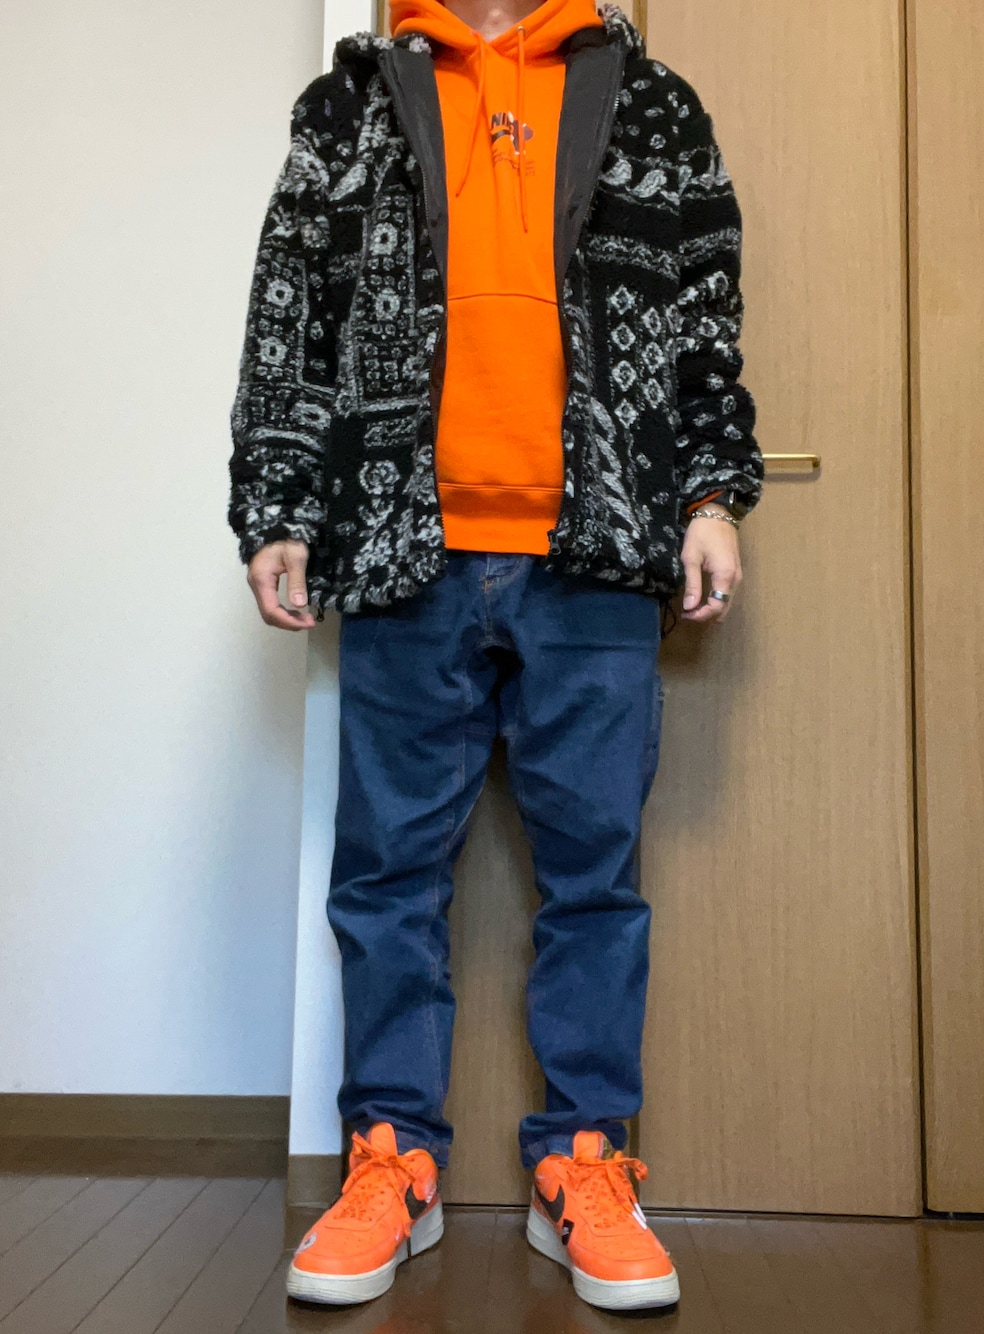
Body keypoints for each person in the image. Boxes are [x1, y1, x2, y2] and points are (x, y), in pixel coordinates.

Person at [228, 0, 763, 1313]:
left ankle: (586, 1165)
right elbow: (288, 313)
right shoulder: (350, 103)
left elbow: (706, 315)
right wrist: (277, 502)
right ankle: (390, 1163)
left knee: (595, 880)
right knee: (386, 878)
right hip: (401, 547)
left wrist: (709, 494)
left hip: (598, 551)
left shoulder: (653, 103)